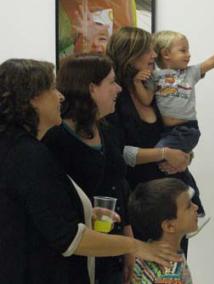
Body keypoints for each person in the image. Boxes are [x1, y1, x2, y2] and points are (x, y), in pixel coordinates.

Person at [0, 58, 180, 284]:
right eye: (52, 89)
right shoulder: (28, 154)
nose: (60, 96)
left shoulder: (20, 148)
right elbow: (68, 237)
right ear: (34, 98)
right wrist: (137, 246)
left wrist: (86, 213)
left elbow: (44, 208)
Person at [106, 27, 209, 253]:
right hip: (141, 207)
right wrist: (165, 154)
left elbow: (177, 136)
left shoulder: (155, 89)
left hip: (172, 207)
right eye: (148, 50)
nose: (155, 55)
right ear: (130, 55)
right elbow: (117, 153)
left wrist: (185, 157)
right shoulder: (116, 98)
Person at [42, 54, 134, 284]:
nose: (119, 89)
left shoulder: (108, 130)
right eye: (112, 82)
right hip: (76, 257)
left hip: (112, 250)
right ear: (92, 88)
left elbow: (120, 186)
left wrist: (128, 241)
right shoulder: (55, 139)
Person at [135, 30, 214, 153]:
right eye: (183, 50)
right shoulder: (154, 76)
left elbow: (212, 61)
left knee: (157, 154)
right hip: (165, 130)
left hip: (186, 130)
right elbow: (146, 99)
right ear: (166, 54)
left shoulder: (190, 73)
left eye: (188, 50)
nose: (189, 55)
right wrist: (137, 82)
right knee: (162, 159)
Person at [128, 178, 197, 284]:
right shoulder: (165, 270)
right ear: (169, 226)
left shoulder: (169, 255)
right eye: (188, 206)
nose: (196, 207)